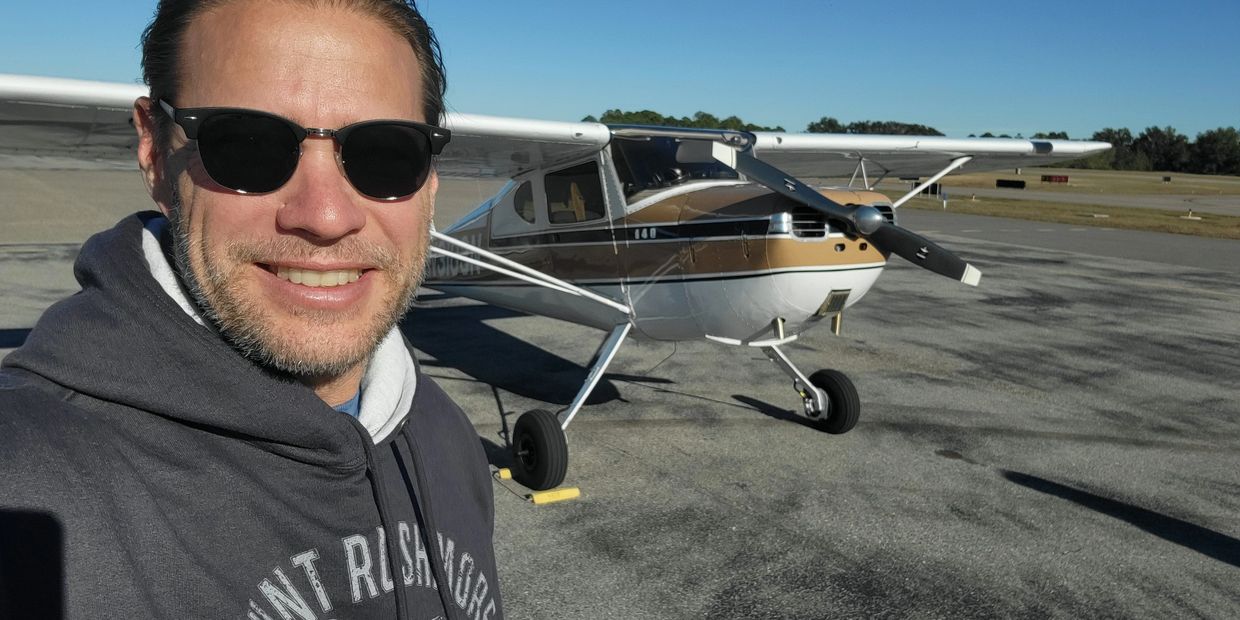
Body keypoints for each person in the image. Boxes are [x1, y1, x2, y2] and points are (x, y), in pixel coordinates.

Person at [0, 1, 503, 618]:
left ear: (430, 179)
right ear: (154, 151)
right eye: (246, 145)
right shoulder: (24, 486)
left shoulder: (445, 437)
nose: (326, 217)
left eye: (388, 153)